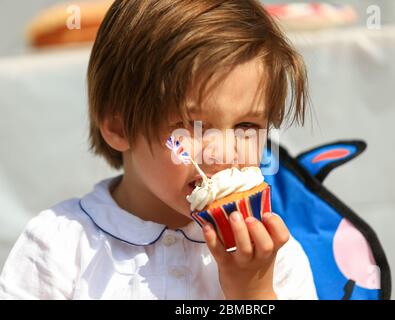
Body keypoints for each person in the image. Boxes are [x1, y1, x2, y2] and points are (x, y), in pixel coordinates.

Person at [0, 0, 317, 300]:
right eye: (194, 125)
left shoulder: (274, 258)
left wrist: (252, 293)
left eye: (246, 126)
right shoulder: (59, 246)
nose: (223, 153)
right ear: (119, 127)